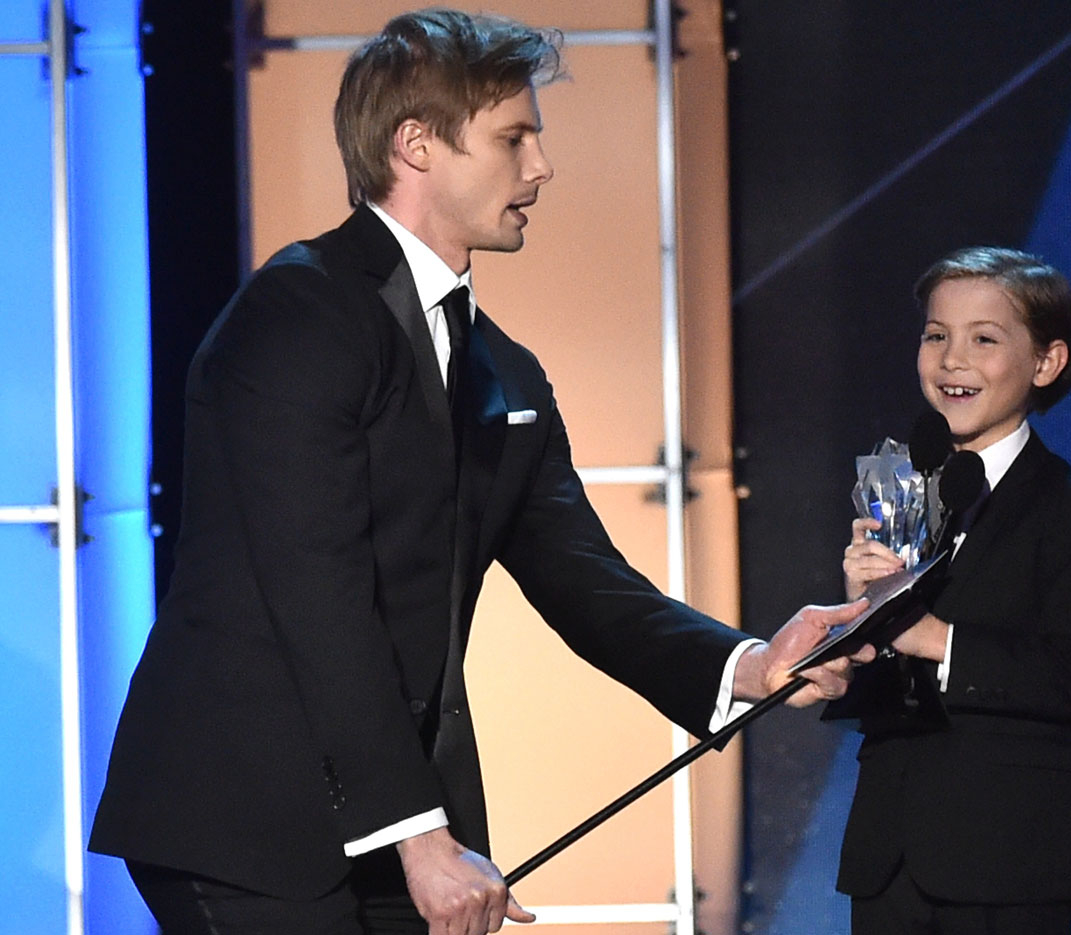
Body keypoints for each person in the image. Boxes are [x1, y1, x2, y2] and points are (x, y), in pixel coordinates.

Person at [89, 9, 868, 935]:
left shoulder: (506, 372)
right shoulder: (298, 315)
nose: (540, 167)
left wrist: (749, 663)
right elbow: (317, 592)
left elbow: (587, 582)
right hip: (241, 812)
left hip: (392, 811)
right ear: (416, 145)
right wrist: (420, 836)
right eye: (514, 137)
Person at [838, 247, 1071, 934]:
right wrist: (855, 619)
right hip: (890, 855)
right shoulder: (901, 488)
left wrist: (937, 637)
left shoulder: (1069, 504)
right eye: (937, 335)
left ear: (1047, 362)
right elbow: (867, 687)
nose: (951, 359)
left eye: (984, 339)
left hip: (1007, 858)